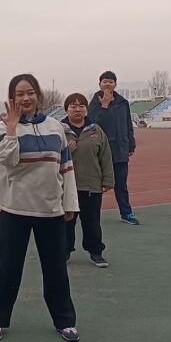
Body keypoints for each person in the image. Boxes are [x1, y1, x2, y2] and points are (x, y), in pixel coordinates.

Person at [0, 74, 80, 342]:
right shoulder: (2, 128)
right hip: (15, 209)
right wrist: (12, 129)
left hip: (50, 210)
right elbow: (8, 160)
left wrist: (70, 203)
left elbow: (66, 168)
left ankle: (65, 321)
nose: (25, 98)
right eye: (20, 94)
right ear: (12, 98)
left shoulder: (55, 128)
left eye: (30, 92)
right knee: (7, 267)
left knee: (56, 269)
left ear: (38, 95)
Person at [61, 93, 114, 268]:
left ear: (86, 109)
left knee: (92, 222)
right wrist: (65, 151)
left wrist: (108, 180)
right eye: (73, 106)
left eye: (81, 106)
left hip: (91, 186)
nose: (77, 109)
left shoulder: (96, 130)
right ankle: (64, 251)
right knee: (66, 222)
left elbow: (105, 156)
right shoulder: (59, 131)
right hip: (66, 186)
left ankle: (96, 252)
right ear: (66, 109)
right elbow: (50, 156)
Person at [88, 71, 139, 225]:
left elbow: (128, 124)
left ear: (115, 84)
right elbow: (94, 124)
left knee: (121, 185)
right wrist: (104, 105)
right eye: (105, 81)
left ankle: (126, 213)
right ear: (99, 84)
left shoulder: (123, 102)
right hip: (101, 151)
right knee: (96, 186)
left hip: (120, 150)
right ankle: (92, 215)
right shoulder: (95, 102)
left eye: (111, 82)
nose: (108, 84)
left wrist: (131, 144)